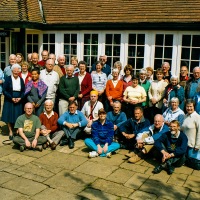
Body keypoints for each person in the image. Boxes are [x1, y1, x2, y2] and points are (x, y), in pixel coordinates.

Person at [2, 64, 25, 140]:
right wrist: (11, 98)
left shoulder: (21, 79)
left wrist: (20, 98)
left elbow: (23, 91)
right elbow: (4, 91)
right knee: (9, 115)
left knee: (17, 115)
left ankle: (17, 130)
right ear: (12, 71)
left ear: (19, 71)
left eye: (17, 71)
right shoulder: (8, 79)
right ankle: (10, 131)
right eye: (14, 71)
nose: (16, 72)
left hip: (18, 99)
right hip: (9, 98)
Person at [182, 99, 200, 170]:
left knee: (191, 164)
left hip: (192, 146)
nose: (189, 108)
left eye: (190, 106)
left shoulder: (197, 117)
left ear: (194, 107)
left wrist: (197, 145)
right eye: (187, 106)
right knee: (184, 163)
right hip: (184, 144)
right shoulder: (185, 116)